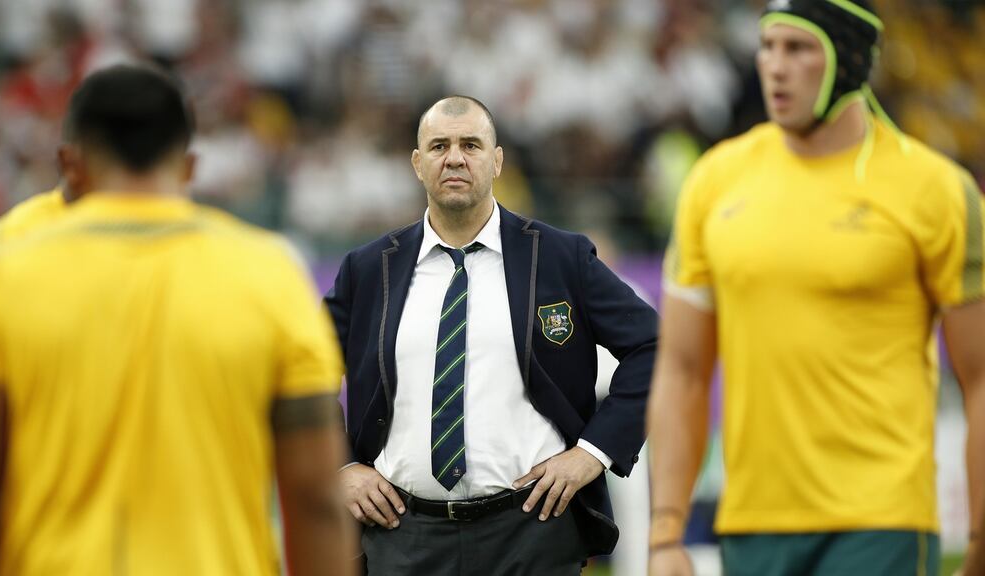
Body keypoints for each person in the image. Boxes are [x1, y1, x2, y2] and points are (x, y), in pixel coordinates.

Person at [0, 64, 353, 576]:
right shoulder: (269, 276)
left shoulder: (0, 271)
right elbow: (316, 498)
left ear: (70, 163)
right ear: (189, 166)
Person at [647, 1, 985, 575]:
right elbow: (682, 369)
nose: (775, 67)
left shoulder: (936, 191)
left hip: (883, 524)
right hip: (752, 525)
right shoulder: (715, 181)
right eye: (767, 46)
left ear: (849, 60)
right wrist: (664, 534)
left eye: (798, 48)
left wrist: (979, 536)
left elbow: (979, 378)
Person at [324, 95, 659, 575]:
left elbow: (655, 347)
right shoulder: (368, 270)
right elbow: (301, 370)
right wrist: (339, 466)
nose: (455, 157)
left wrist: (592, 454)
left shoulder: (561, 258)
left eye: (471, 145)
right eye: (439, 145)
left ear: (497, 160)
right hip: (403, 537)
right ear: (418, 164)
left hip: (533, 532)